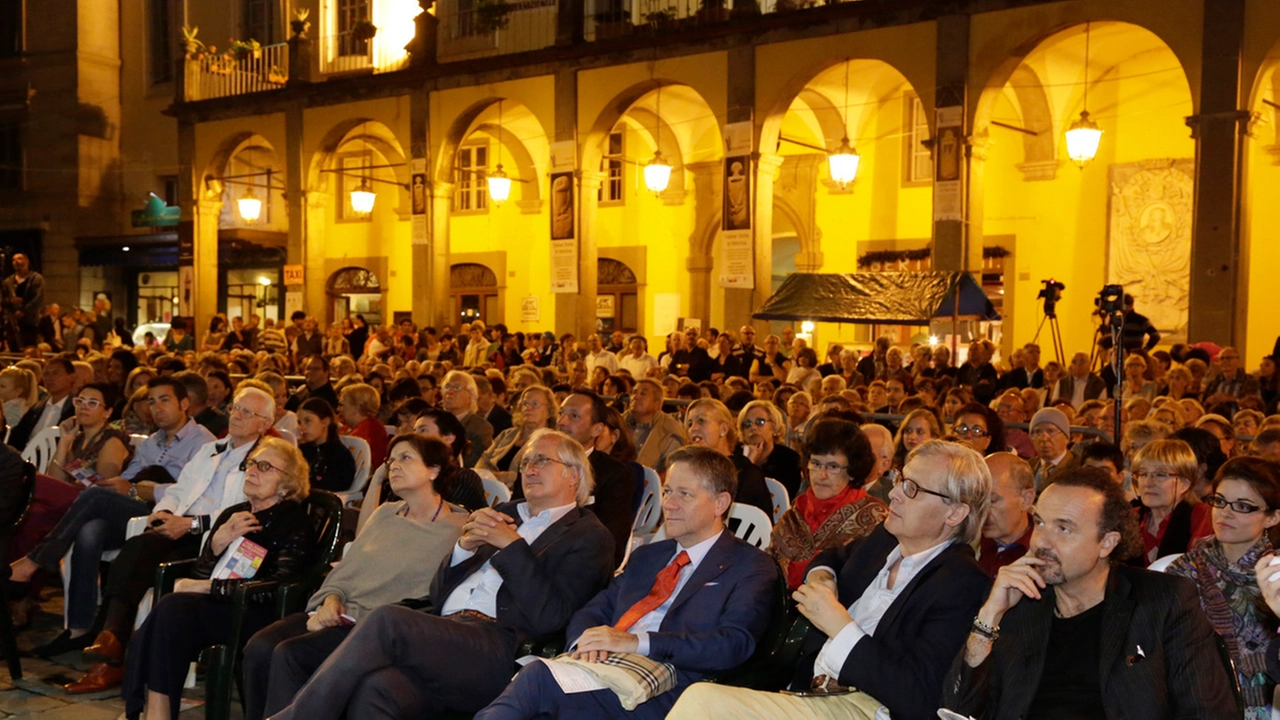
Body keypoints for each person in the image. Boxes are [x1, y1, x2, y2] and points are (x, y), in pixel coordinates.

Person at [267, 429, 616, 720]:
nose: (529, 468)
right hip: (445, 632)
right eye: (525, 461)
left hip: (496, 646)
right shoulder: (504, 512)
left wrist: (511, 548)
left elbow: (551, 616)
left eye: (542, 460)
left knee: (387, 618)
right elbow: (438, 594)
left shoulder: (588, 535)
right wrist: (463, 547)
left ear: (573, 474)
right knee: (378, 689)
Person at [667, 440, 994, 720]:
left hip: (867, 707)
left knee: (703, 703)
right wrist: (823, 577)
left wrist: (839, 625)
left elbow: (918, 695)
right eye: (899, 479)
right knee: (700, 697)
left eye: (913, 489)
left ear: (955, 513)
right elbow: (833, 557)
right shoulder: (886, 540)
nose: (894, 494)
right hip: (811, 692)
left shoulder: (961, 582)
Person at [475, 446, 780, 720]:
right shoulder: (650, 556)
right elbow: (593, 610)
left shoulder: (749, 565)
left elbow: (732, 645)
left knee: (537, 679)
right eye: (667, 492)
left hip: (672, 688)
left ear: (720, 503)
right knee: (540, 690)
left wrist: (636, 643)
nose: (669, 504)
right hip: (605, 669)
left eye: (684, 494)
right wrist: (587, 642)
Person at [942, 466, 1239, 719]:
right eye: (1041, 523)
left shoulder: (1164, 603)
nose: (1043, 541)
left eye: (1064, 529)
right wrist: (989, 617)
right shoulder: (1018, 603)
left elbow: (1207, 712)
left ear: (1107, 543)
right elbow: (959, 708)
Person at [62, 386, 275, 694]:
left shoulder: (262, 462)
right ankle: (111, 643)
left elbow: (243, 512)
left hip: (216, 543)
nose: (237, 416)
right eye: (236, 408)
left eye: (247, 412)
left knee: (142, 553)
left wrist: (189, 524)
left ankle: (110, 651)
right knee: (137, 547)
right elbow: (177, 490)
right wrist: (164, 513)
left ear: (264, 423)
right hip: (180, 527)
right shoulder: (211, 450)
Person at [243, 435, 469, 720]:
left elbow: (433, 596)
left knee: (291, 654)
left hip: (374, 629)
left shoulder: (457, 530)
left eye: (405, 458)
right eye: (391, 460)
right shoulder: (386, 514)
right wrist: (332, 599)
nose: (393, 466)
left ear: (434, 470)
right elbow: (349, 568)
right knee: (259, 647)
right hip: (339, 611)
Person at [8, 376, 216, 657]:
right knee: (89, 530)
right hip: (136, 508)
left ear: (185, 404)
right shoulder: (153, 442)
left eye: (164, 400)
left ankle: (34, 562)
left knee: (84, 496)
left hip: (169, 516)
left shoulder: (203, 442)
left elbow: (194, 490)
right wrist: (124, 485)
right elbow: (128, 479)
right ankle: (80, 630)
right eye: (151, 401)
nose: (156, 408)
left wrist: (141, 489)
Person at [122, 437, 316, 720]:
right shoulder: (233, 514)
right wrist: (217, 544)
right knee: (167, 614)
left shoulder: (294, 523)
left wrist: (206, 586)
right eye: (251, 463)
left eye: (265, 466)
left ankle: (153, 712)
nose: (252, 470)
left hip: (254, 612)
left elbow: (277, 589)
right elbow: (201, 571)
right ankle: (157, 713)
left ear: (287, 484)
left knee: (169, 610)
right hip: (216, 605)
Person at [1165, 457, 1280, 718]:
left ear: (1272, 517)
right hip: (1193, 703)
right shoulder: (1184, 570)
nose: (1225, 513)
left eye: (1243, 506)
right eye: (1219, 501)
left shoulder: (1275, 575)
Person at [766, 418, 887, 589]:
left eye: (832, 467)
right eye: (815, 463)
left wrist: (794, 570)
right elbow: (767, 566)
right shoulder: (795, 513)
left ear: (852, 471)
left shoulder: (874, 516)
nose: (821, 475)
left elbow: (861, 576)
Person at [546, 389, 638, 567]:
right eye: (561, 413)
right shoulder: (536, 464)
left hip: (578, 563)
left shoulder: (616, 475)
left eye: (574, 416)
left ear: (596, 429)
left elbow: (610, 540)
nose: (561, 422)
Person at [684, 397, 772, 519]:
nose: (693, 428)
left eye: (701, 420)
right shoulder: (690, 470)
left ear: (723, 429)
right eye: (690, 423)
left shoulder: (746, 474)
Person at [1132, 438, 1214, 566]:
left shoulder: (1203, 517)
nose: (1148, 483)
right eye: (1143, 474)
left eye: (1160, 475)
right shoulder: (1130, 517)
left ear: (1184, 483)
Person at [46, 382, 132, 486]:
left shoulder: (112, 441)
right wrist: (65, 440)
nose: (83, 407)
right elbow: (54, 480)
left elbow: (102, 487)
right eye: (80, 401)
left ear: (107, 412)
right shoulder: (78, 440)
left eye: (92, 403)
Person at [476, 385, 558, 487]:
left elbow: (539, 474)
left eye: (535, 404)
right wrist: (486, 475)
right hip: (489, 488)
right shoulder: (507, 434)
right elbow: (485, 459)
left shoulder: (550, 441)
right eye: (525, 404)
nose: (528, 408)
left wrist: (506, 476)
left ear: (549, 411)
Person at [977, 453, 1035, 577]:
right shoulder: (967, 543)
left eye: (993, 501)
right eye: (977, 501)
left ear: (1026, 499)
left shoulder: (1045, 552)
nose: (982, 511)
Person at [6, 355, 77, 451]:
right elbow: (17, 436)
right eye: (46, 374)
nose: (50, 378)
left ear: (72, 377)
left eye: (55, 373)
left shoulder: (76, 410)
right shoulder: (37, 408)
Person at [738, 400, 802, 500]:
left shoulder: (789, 459)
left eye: (760, 422)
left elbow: (781, 499)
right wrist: (749, 464)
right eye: (747, 424)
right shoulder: (736, 459)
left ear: (774, 427)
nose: (753, 427)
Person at [624, 378, 686, 474]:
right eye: (634, 392)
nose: (636, 397)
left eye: (643, 394)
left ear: (657, 404)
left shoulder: (669, 430)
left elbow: (671, 469)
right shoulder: (619, 422)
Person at [296, 397, 358, 493]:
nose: (302, 427)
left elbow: (339, 485)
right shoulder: (302, 451)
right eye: (299, 422)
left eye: (308, 421)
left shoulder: (340, 455)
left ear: (325, 421)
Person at [440, 369, 493, 467]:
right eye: (447, 387)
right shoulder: (433, 421)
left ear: (470, 395)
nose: (450, 392)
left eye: (457, 387)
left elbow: (473, 464)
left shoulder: (481, 428)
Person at [1027, 407, 1078, 494]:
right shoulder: (1026, 467)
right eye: (1038, 432)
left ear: (1066, 437)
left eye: (1051, 431)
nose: (1044, 438)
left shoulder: (1078, 467)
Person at [337, 383, 387, 469]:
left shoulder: (370, 429)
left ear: (356, 408)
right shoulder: (349, 427)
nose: (338, 409)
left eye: (342, 404)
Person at [2, 252, 44, 348]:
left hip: (30, 322)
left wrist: (24, 311)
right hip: (12, 324)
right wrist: (10, 302)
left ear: (26, 261)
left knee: (29, 347)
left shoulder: (36, 279)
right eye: (14, 260)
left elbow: (38, 298)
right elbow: (3, 299)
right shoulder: (8, 281)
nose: (16, 262)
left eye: (19, 259)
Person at [890, 408, 941, 472]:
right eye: (908, 431)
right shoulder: (892, 463)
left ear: (933, 437)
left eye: (920, 432)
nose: (912, 437)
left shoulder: (939, 468)